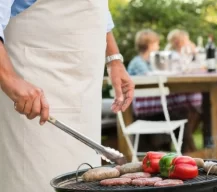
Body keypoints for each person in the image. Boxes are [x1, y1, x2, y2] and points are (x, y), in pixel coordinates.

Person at [0, 1, 134, 192]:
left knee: (83, 177)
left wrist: (114, 58)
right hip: (35, 80)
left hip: (85, 91)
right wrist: (10, 78)